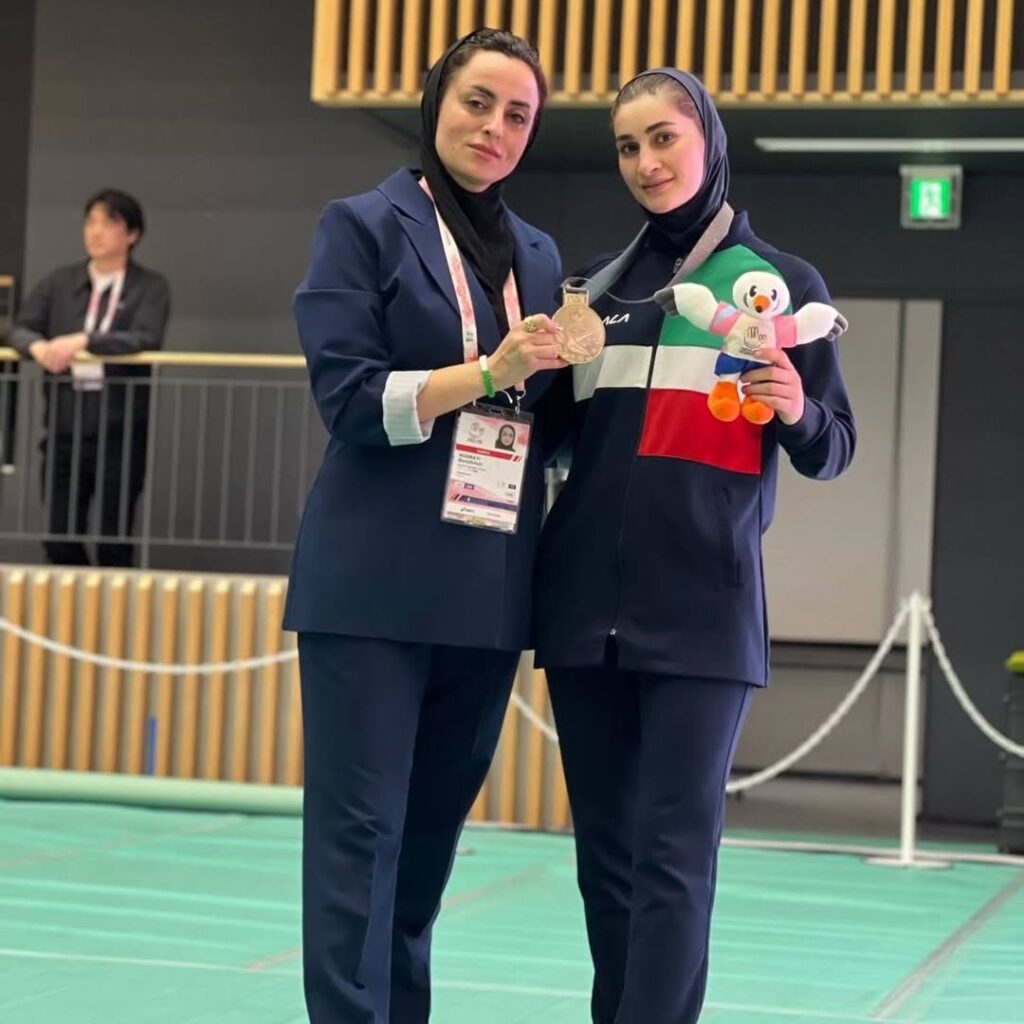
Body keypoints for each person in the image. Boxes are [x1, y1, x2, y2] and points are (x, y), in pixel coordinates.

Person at [534, 69, 856, 1024]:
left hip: (705, 616)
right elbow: (552, 439)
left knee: (673, 859)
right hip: (582, 613)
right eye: (627, 146)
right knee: (605, 861)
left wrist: (797, 409)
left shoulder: (781, 286)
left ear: (708, 140)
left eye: (663, 138)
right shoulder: (594, 290)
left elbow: (834, 448)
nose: (646, 161)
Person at [283, 29, 564, 1024]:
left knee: (427, 852)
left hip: (485, 589)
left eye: (518, 114)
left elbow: (542, 418)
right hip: (371, 586)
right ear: (436, 100)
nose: (494, 127)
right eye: (477, 102)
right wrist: (486, 372)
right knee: (358, 841)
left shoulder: (540, 255)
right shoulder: (361, 225)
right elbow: (351, 401)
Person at [9, 189, 170, 565]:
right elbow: (19, 329)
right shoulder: (60, 282)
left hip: (120, 428)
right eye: (91, 222)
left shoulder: (150, 287)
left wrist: (85, 340)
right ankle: (75, 599)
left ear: (132, 234)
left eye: (109, 223)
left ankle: (112, 603)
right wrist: (37, 347)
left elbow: (145, 338)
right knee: (59, 537)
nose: (96, 232)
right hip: (65, 425)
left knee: (114, 540)